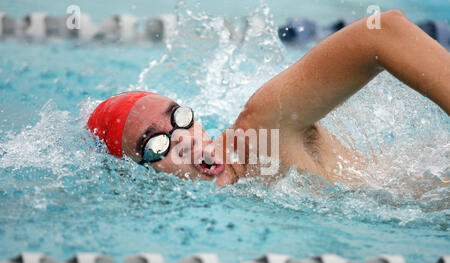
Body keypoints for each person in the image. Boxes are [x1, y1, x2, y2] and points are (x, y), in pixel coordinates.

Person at [87, 10, 450, 187]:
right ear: (133, 176)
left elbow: (382, 31)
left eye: (178, 116)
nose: (181, 137)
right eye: (154, 144)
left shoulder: (258, 131)